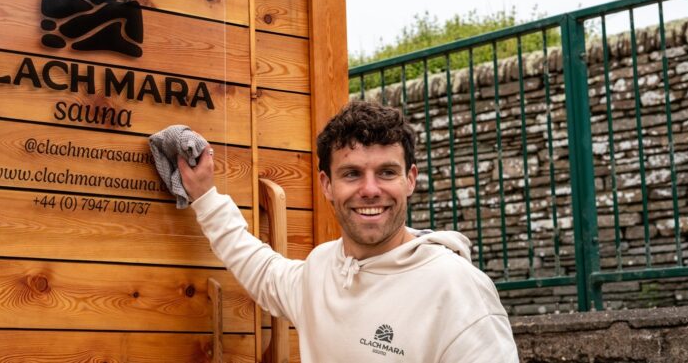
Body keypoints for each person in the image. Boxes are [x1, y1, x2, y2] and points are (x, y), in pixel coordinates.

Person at [178, 100, 518, 362]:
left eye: (386, 172)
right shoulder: (321, 269)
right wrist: (205, 197)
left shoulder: (457, 289)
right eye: (352, 174)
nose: (370, 190)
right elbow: (261, 269)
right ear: (327, 184)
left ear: (410, 179)